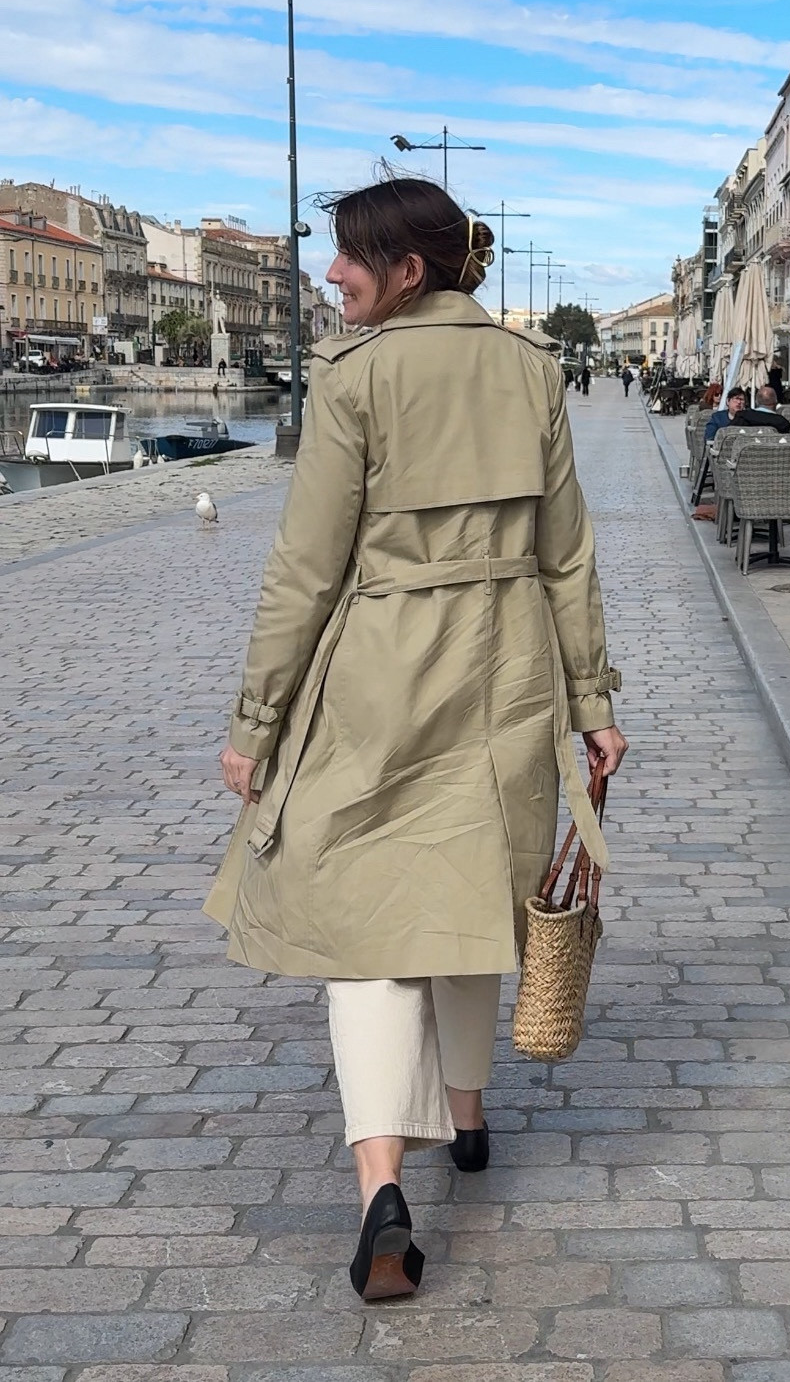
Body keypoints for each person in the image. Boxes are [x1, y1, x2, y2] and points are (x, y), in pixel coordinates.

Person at [204, 177, 627, 1304]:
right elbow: (567, 556)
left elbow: (306, 569)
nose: (332, 274)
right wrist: (594, 705)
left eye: (351, 259)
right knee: (478, 887)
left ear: (406, 272)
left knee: (369, 923)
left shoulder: (357, 377)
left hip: (382, 669)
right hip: (510, 670)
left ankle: (383, 1186)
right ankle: (471, 1118)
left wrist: (255, 723)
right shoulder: (533, 371)